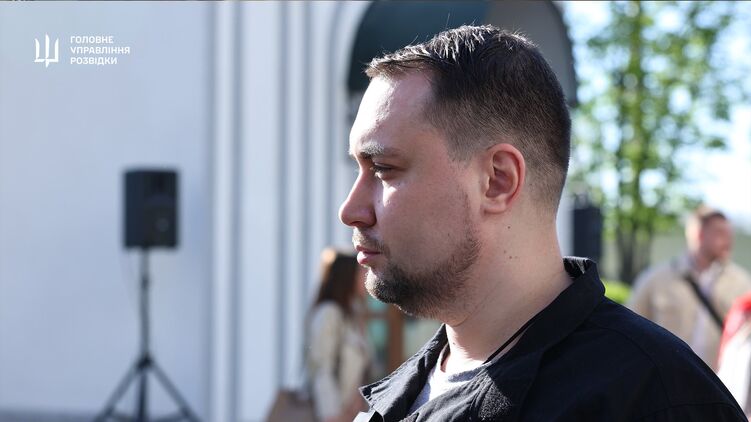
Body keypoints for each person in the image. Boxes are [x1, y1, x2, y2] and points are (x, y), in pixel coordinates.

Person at [338, 25, 745, 421]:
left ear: (497, 180)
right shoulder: (401, 396)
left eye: (384, 168)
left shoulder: (657, 399)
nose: (350, 209)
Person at [628, 206, 751, 370]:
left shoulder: (742, 283)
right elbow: (630, 331)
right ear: (699, 234)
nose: (728, 240)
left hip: (720, 380)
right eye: (720, 233)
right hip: (667, 377)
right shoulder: (654, 280)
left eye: (729, 234)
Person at [306, 248, 371, 422]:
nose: (367, 277)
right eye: (361, 273)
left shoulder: (353, 315)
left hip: (352, 413)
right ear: (347, 277)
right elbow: (321, 368)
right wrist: (332, 415)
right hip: (333, 415)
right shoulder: (329, 313)